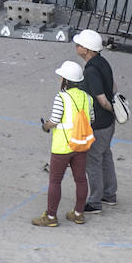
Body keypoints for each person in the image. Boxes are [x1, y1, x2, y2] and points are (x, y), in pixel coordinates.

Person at [32, 59, 93, 227]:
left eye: (61, 77)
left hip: (62, 147)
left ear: (66, 80)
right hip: (81, 144)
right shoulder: (87, 98)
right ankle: (78, 214)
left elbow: (54, 120)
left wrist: (45, 126)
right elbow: (91, 118)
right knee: (80, 179)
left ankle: (51, 217)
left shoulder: (61, 97)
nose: (60, 80)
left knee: (55, 181)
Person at [74, 29, 117, 214]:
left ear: (88, 49)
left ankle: (95, 201)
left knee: (93, 162)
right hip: (108, 123)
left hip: (98, 123)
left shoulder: (91, 70)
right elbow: (114, 87)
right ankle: (109, 194)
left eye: (79, 45)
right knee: (106, 156)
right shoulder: (103, 62)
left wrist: (110, 109)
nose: (77, 47)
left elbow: (101, 99)